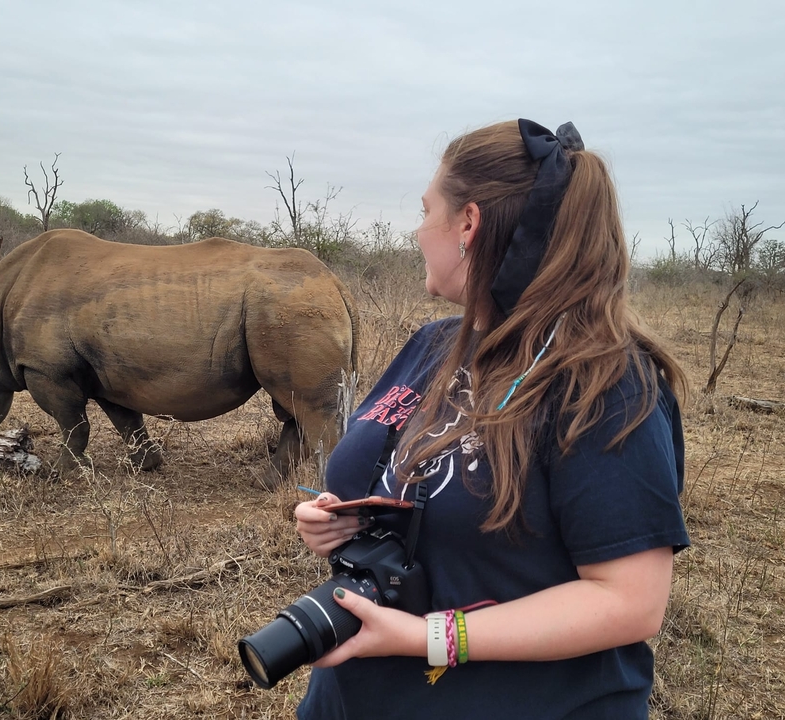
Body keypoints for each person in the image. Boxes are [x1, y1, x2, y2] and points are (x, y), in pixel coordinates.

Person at [294, 119, 690, 719]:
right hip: (356, 698)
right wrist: (336, 518)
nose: (416, 230)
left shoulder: (604, 384)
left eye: (427, 210)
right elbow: (400, 491)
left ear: (468, 225)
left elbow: (629, 603)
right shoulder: (431, 346)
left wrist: (428, 638)